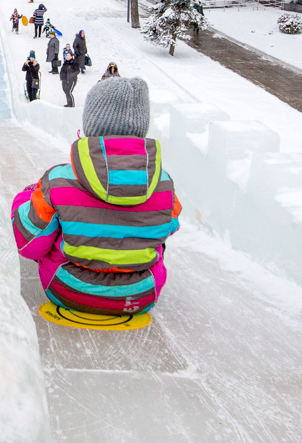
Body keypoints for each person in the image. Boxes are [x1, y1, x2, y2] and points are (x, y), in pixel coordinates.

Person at [11, 77, 180, 317]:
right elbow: (170, 227)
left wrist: (26, 196)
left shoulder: (59, 179)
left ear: (91, 124)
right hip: (141, 295)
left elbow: (29, 245)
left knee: (47, 225)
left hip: (68, 290)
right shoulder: (164, 183)